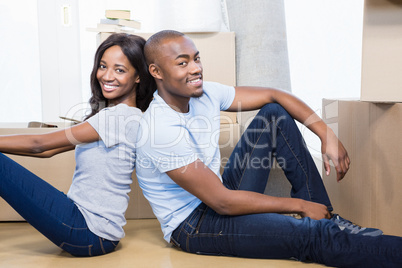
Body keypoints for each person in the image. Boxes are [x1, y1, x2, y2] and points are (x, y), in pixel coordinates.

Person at [135, 30, 402, 267]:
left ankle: (324, 215)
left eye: (196, 58)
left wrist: (326, 134)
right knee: (309, 235)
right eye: (182, 63)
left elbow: (275, 95)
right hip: (195, 224)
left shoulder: (205, 93)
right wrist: (298, 205)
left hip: (219, 195)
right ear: (156, 72)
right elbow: (222, 202)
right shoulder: (159, 129)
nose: (195, 69)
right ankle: (327, 226)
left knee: (274, 114)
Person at [0, 33, 155, 257]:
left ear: (138, 76)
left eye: (119, 70)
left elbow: (39, 144)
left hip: (87, 230)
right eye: (103, 66)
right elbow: (49, 151)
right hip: (88, 227)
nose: (107, 76)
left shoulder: (119, 118)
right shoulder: (118, 116)